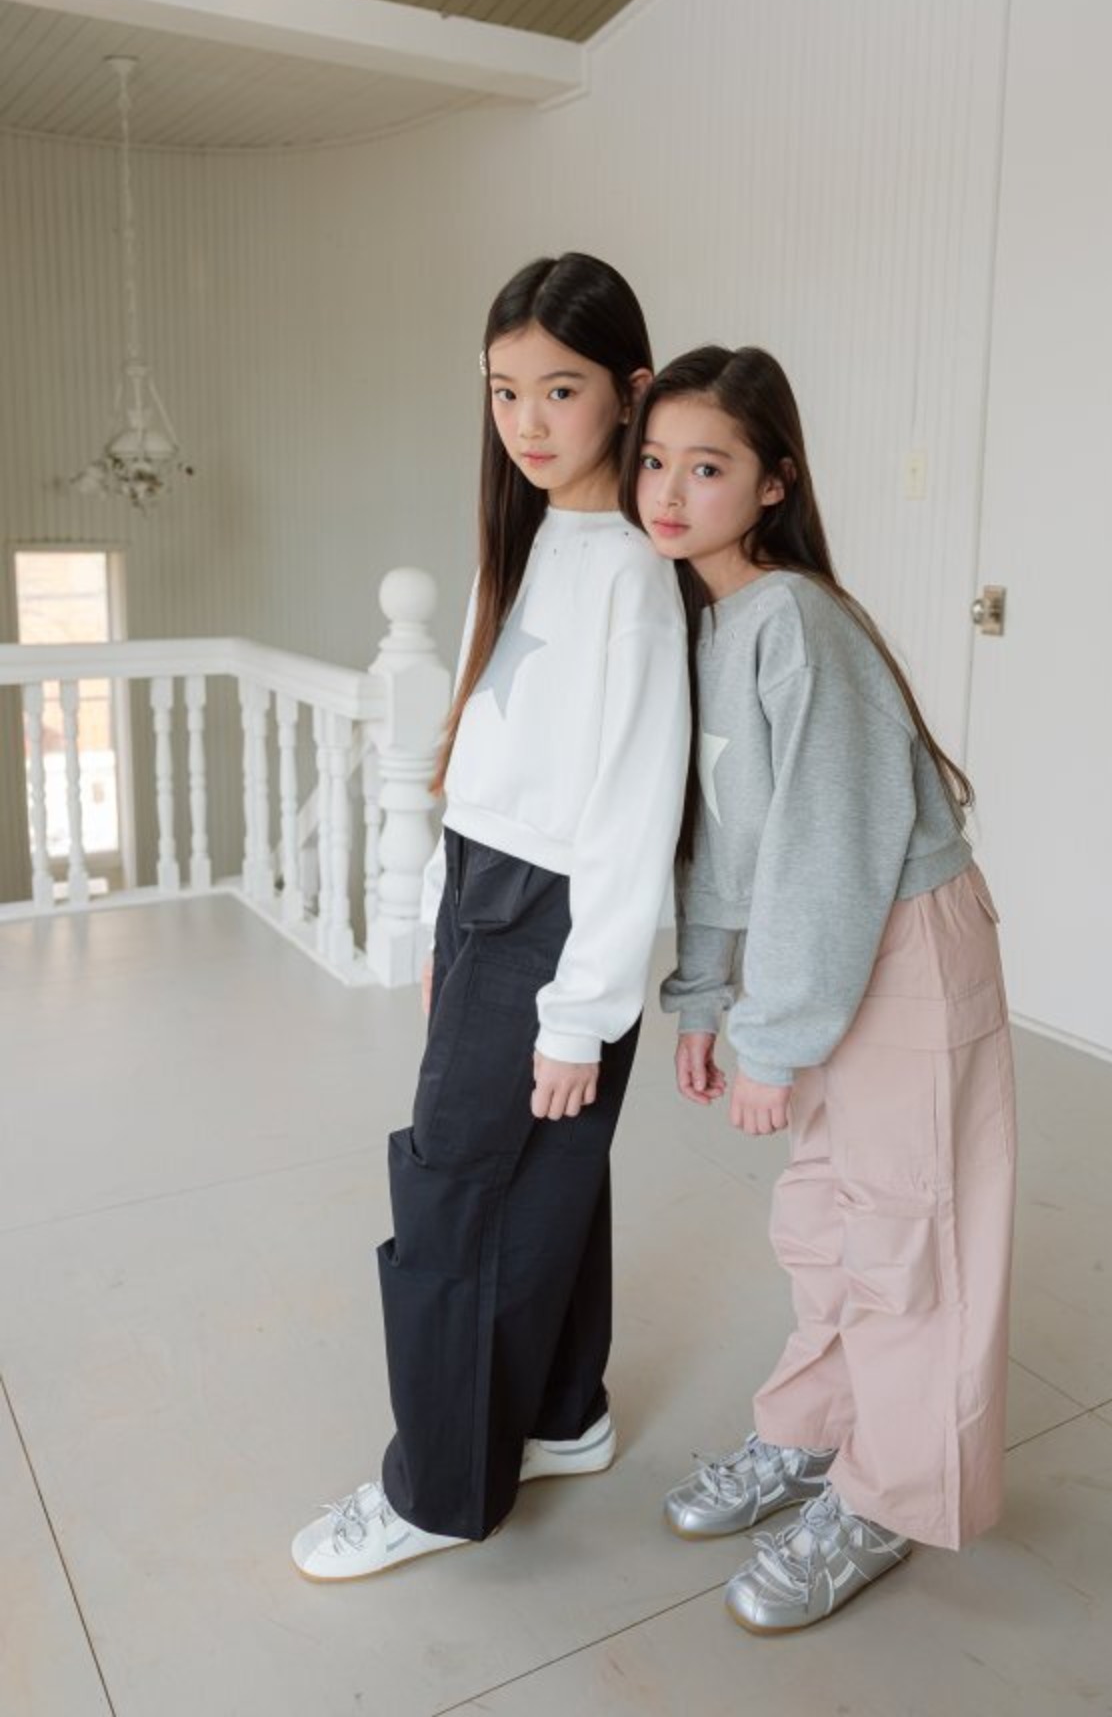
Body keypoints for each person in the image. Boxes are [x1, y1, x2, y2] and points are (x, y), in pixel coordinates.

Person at [293, 253, 690, 1580]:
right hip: (486, 892)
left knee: (455, 1188)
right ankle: (564, 1414)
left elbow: (634, 808)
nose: (527, 421)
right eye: (504, 390)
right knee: (546, 1176)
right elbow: (478, 754)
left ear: (629, 390)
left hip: (554, 915)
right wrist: (438, 919)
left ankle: (439, 1491)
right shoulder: (523, 542)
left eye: (560, 390)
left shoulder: (631, 575)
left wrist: (582, 1012)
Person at [622, 345, 1016, 1634]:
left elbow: (824, 851)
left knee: (907, 1231)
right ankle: (811, 1433)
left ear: (774, 483)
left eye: (708, 467)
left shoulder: (795, 618)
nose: (669, 491)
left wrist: (773, 1038)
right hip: (824, 945)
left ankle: (891, 1496)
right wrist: (702, 996)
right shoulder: (708, 622)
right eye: (655, 462)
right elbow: (726, 840)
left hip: (896, 939)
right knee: (824, 1218)